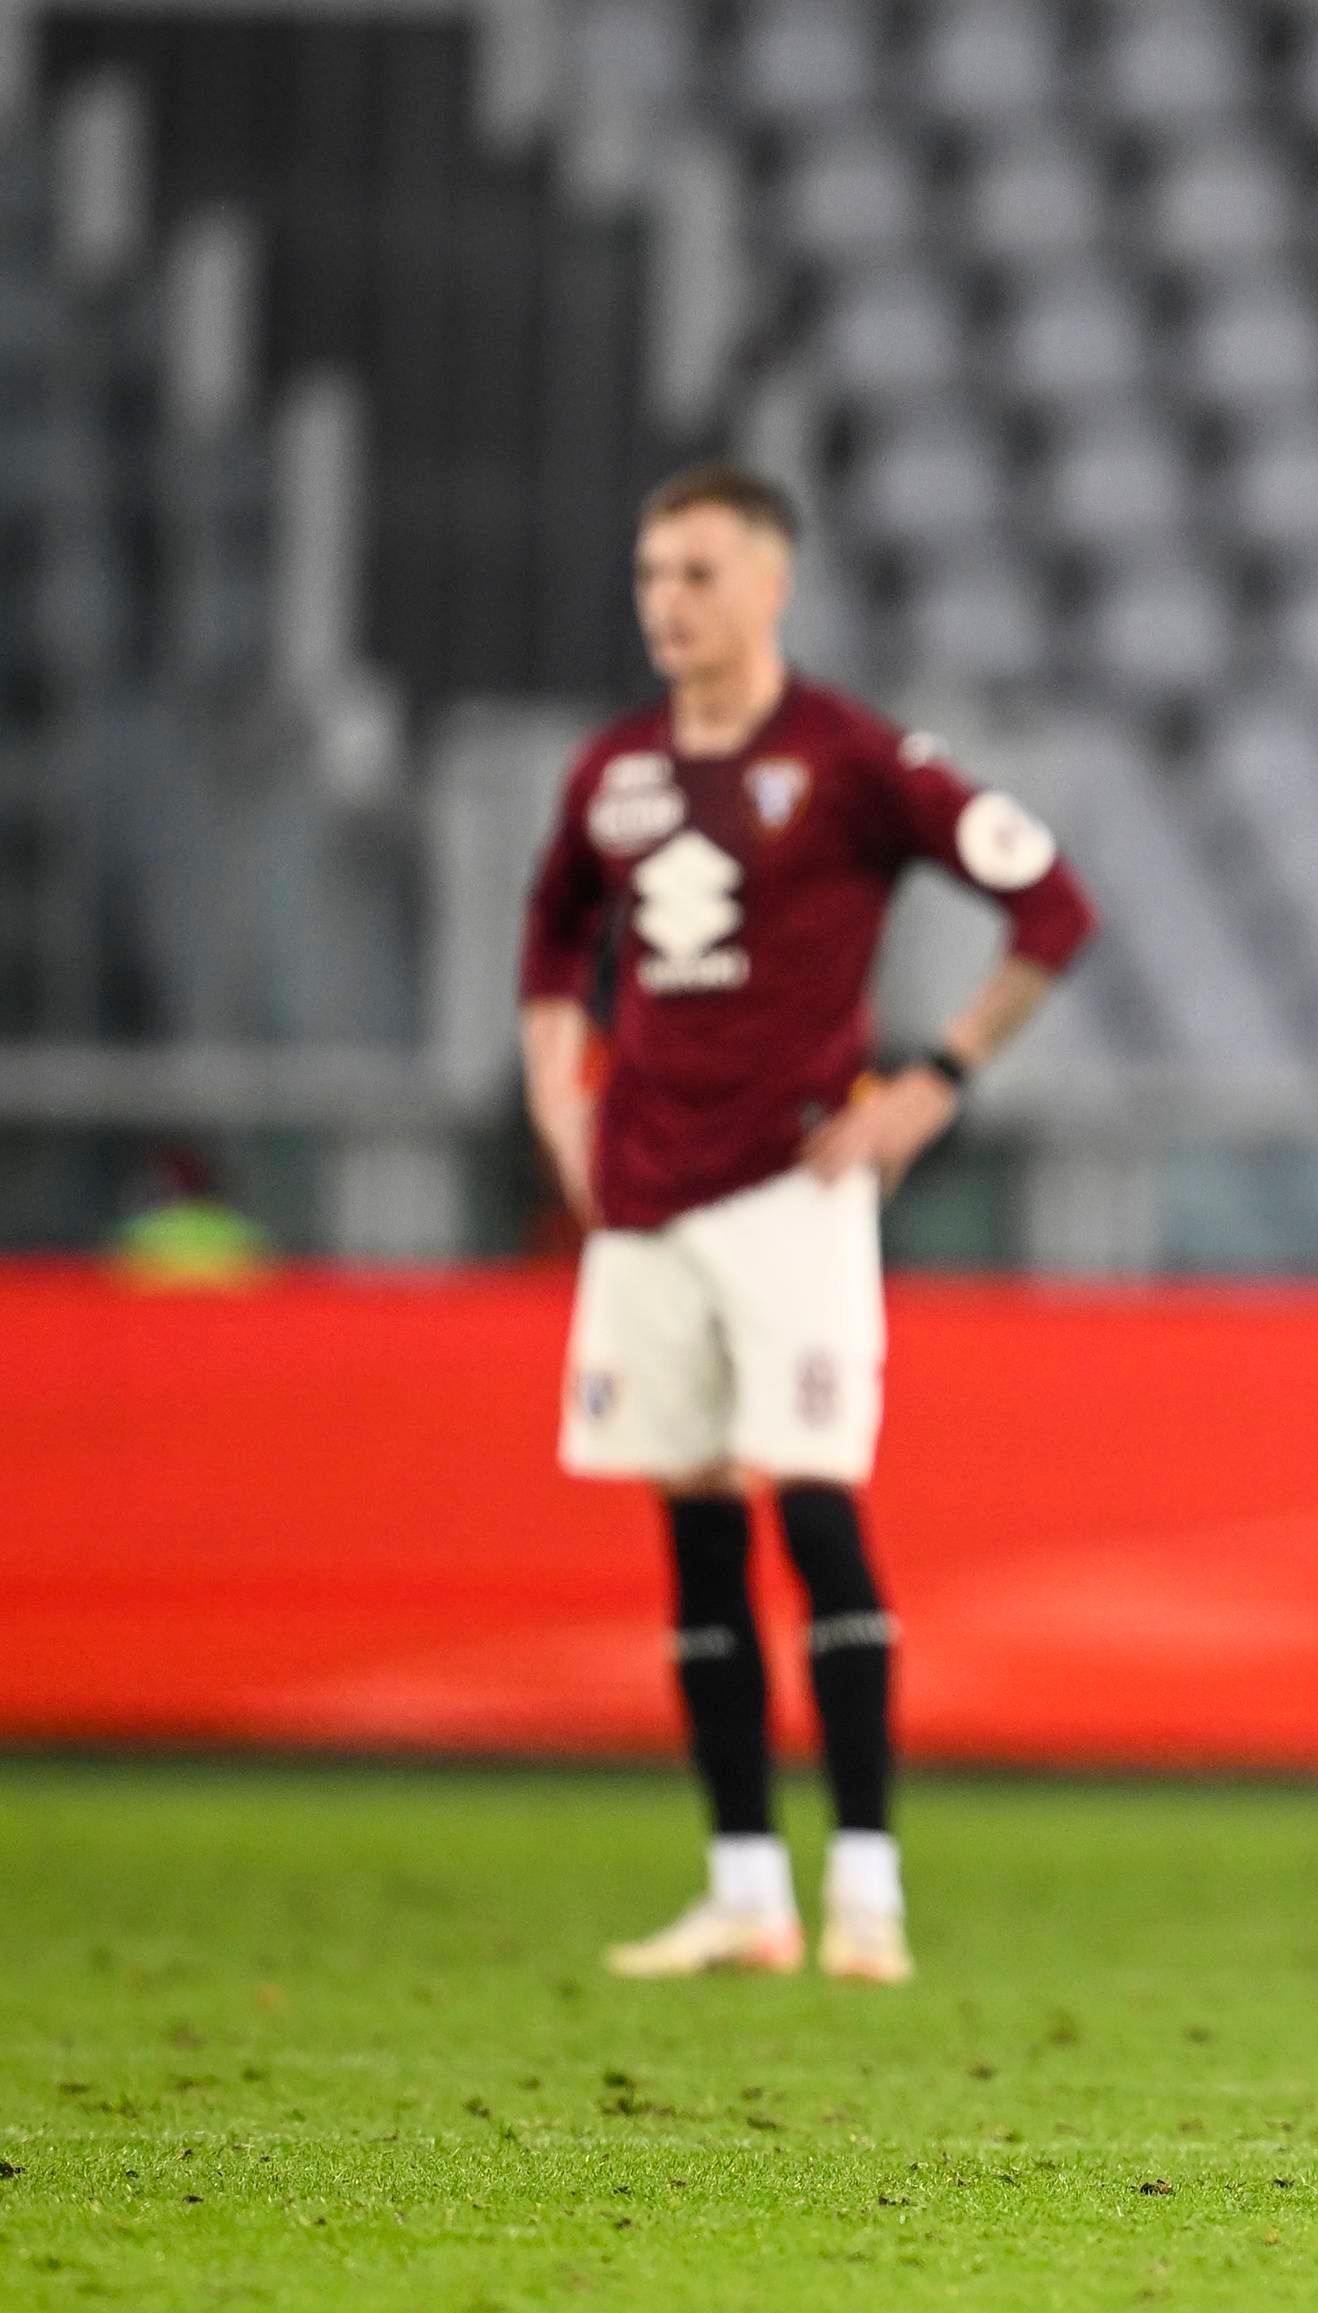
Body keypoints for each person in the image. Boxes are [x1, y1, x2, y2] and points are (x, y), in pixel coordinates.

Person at [518, 465, 1095, 1984]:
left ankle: (868, 1888)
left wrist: (929, 1084)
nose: (669, 602)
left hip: (795, 1188)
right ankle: (742, 1888)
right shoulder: (615, 771)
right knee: (692, 1519)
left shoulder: (849, 758)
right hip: (643, 1195)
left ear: (771, 586)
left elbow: (1052, 906)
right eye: (653, 575)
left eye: (698, 573)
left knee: (817, 1503)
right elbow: (547, 935)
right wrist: (558, 1104)